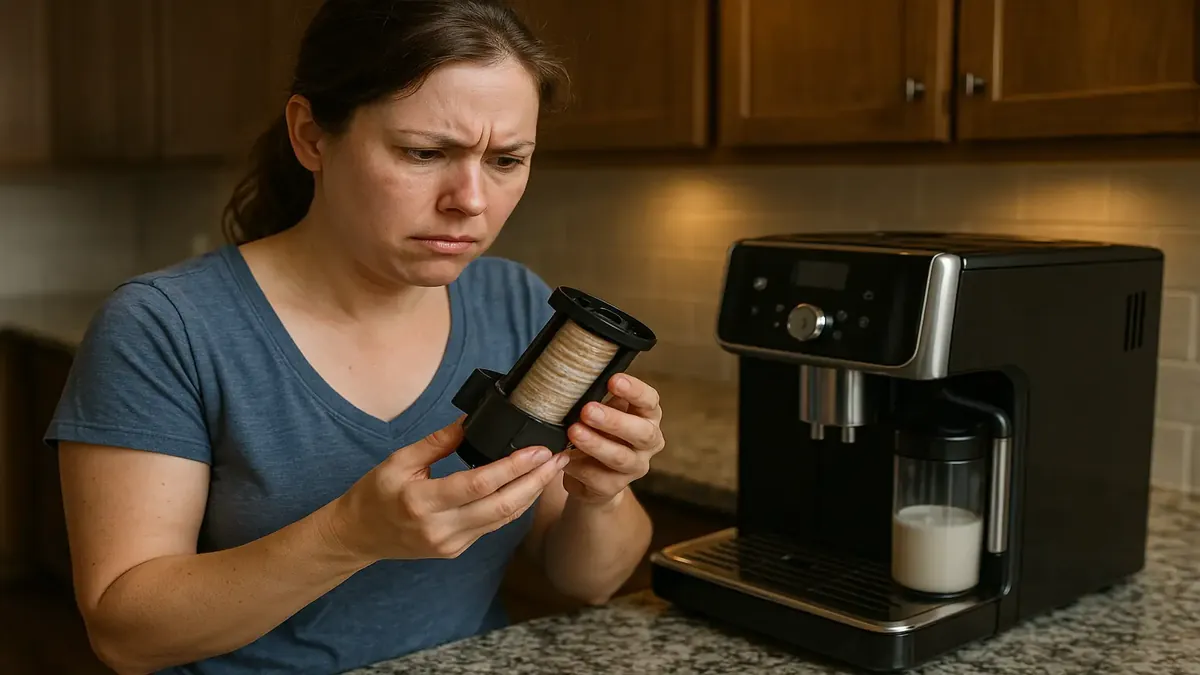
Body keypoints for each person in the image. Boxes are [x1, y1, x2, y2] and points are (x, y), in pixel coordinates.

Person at [45, 1, 667, 673]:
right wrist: (349, 535)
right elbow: (125, 633)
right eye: (424, 152)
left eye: (507, 159)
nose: (472, 199)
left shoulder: (513, 301)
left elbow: (591, 579)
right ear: (311, 135)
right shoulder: (165, 326)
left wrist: (601, 492)